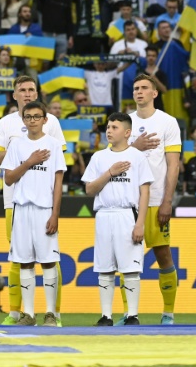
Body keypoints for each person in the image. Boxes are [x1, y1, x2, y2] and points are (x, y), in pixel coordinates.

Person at [0, 76, 66, 325]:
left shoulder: (54, 144)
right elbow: (9, 178)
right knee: (23, 262)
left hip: (45, 209)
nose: (32, 120)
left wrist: (55, 213)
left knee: (48, 261)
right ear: (22, 119)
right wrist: (30, 161)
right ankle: (29, 314)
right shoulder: (16, 144)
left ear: (45, 119)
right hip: (20, 208)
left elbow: (58, 181)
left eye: (37, 117)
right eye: (29, 117)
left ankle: (51, 314)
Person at [82, 112, 153, 326]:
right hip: (104, 214)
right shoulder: (98, 157)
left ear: (127, 132)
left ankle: (132, 315)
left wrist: (140, 223)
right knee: (105, 267)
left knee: (130, 268)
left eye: (114, 127)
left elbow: (145, 192)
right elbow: (89, 189)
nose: (109, 130)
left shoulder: (138, 157)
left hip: (126, 214)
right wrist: (110, 173)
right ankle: (106, 316)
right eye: (108, 127)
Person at [128, 73, 183, 325]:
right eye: (136, 88)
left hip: (157, 199)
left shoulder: (168, 122)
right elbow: (113, 161)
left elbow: (173, 165)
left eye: (144, 88)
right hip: (128, 202)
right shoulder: (124, 122)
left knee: (162, 254)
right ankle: (130, 315)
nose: (139, 92)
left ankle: (168, 314)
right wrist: (133, 147)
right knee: (127, 260)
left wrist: (167, 201)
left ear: (154, 93)